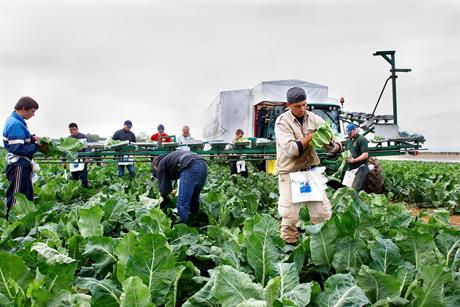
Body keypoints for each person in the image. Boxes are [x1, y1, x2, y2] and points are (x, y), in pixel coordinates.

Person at [274, 87, 341, 244]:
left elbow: (332, 140)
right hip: (289, 173)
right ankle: (289, 248)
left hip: (310, 172)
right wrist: (311, 136)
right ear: (288, 105)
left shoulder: (314, 119)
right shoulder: (282, 122)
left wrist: (334, 145)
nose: (302, 109)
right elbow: (292, 150)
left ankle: (325, 247)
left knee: (322, 214)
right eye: (297, 106)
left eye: (304, 105)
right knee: (290, 216)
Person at [3, 97, 41, 219]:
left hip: (22, 165)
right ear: (24, 109)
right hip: (18, 165)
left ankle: (24, 223)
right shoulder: (15, 124)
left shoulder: (17, 121)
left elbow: (22, 138)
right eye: (32, 111)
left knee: (26, 196)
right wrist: (36, 147)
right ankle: (13, 225)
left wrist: (32, 137)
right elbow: (18, 149)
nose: (33, 115)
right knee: (18, 196)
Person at [153, 151, 208, 224]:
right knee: (194, 198)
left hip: (191, 165)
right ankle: (195, 222)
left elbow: (165, 190)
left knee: (182, 204)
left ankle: (183, 228)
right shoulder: (171, 158)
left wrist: (164, 203)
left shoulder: (161, 164)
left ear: (156, 164)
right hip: (203, 164)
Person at [345, 123, 369, 191]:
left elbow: (365, 154)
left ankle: (357, 201)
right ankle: (351, 200)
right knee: (348, 187)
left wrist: (354, 160)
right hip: (351, 168)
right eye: (347, 133)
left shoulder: (362, 139)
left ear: (355, 130)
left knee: (356, 188)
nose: (348, 134)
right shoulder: (347, 141)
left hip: (361, 167)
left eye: (350, 133)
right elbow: (346, 153)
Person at [68, 123, 90, 187]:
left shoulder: (83, 137)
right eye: (70, 130)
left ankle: (85, 188)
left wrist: (87, 157)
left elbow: (87, 148)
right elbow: (66, 150)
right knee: (75, 177)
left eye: (73, 129)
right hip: (73, 160)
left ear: (77, 129)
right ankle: (77, 191)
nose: (72, 131)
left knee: (83, 177)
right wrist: (64, 161)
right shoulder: (68, 139)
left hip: (82, 159)